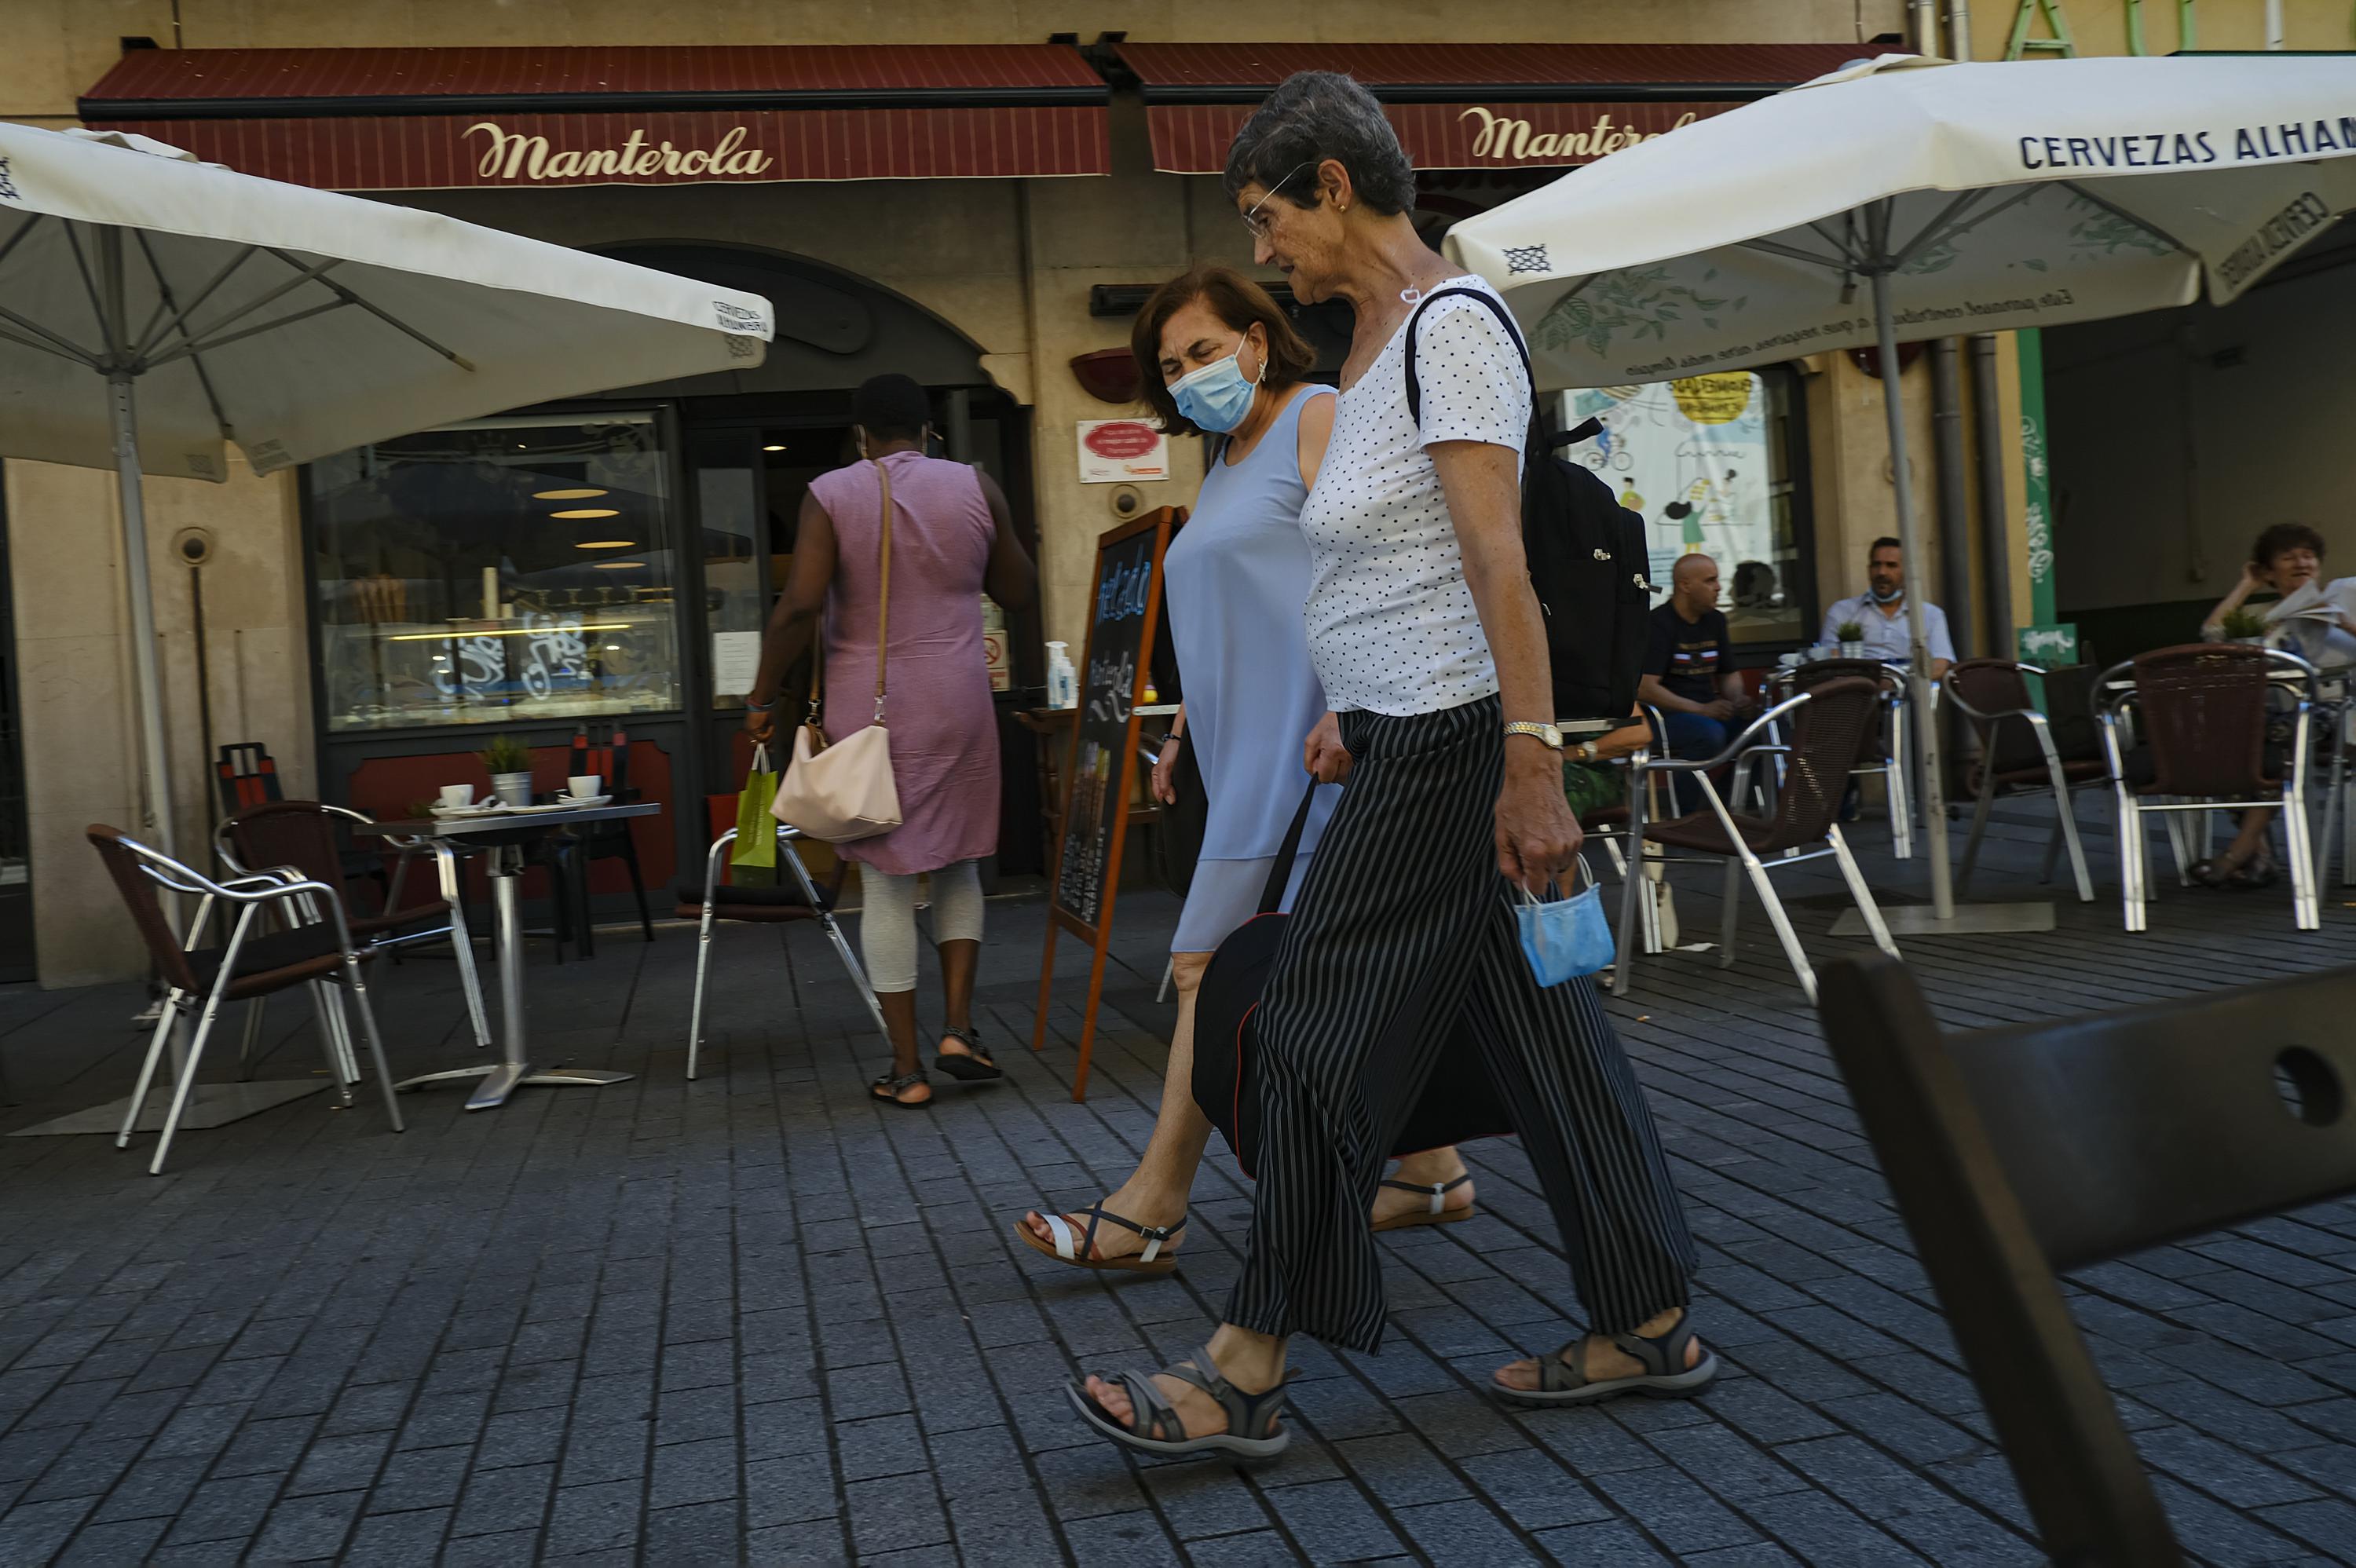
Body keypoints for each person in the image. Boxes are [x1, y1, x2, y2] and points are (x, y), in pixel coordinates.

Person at [1066, 71, 1705, 1462]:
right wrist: (1349, 704)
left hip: (1455, 746)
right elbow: (1401, 562)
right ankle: (1647, 1313)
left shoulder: (1452, 328)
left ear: (1334, 187)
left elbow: (1497, 564)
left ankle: (1245, 1364)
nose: (1263, 248)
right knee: (1554, 1042)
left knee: (1298, 1034)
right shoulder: (1365, 350)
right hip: (1400, 730)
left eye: (1266, 217)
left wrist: (1528, 764)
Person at [1016, 266, 1473, 1272]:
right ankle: (1430, 1168)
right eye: (1171, 365)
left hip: (1314, 751)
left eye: (1203, 350)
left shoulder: (1319, 416)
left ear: (1259, 339)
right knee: (1309, 967)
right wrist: (1183, 723)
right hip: (1241, 749)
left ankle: (1151, 1207)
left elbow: (1384, 566)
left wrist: (1353, 706)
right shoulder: (1225, 461)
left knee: (1203, 967)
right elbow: (1234, 608)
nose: (1187, 375)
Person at [742, 375, 1037, 1108]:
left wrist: (758, 696)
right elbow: (1020, 589)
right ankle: (960, 1029)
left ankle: (905, 1069)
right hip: (962, 698)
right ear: (930, 430)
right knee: (961, 861)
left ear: (861, 435)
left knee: (887, 877)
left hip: (873, 713)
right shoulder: (975, 483)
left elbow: (801, 605)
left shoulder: (833, 492)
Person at [2189, 522, 2351, 887]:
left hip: (2331, 710)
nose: (2301, 562)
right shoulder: (2265, 616)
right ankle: (2258, 855)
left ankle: (2240, 854)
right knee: (2226, 740)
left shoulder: (2340, 604)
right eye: (2288, 556)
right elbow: (2212, 635)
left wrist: (2348, 625)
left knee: (2278, 740)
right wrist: (2247, 584)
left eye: (2308, 555)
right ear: (2269, 570)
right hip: (2273, 714)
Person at [1640, 552, 1746, 807]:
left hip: (1709, 712)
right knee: (1708, 734)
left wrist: (1738, 699)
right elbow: (1644, 688)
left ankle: (1724, 803)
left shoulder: (1716, 620)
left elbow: (1728, 673)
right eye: (1710, 581)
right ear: (1685, 585)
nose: (1719, 587)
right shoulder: (1658, 624)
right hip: (1665, 718)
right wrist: (1702, 709)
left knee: (1765, 728)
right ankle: (1687, 813)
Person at [1820, 537, 1955, 680]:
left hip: (1910, 694)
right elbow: (1829, 662)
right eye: (1876, 565)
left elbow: (1940, 664)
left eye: (1891, 565)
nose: (1882, 572)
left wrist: (1902, 683)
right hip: (1858, 694)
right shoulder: (1842, 611)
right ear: (1869, 569)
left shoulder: (1930, 615)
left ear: (1907, 572)